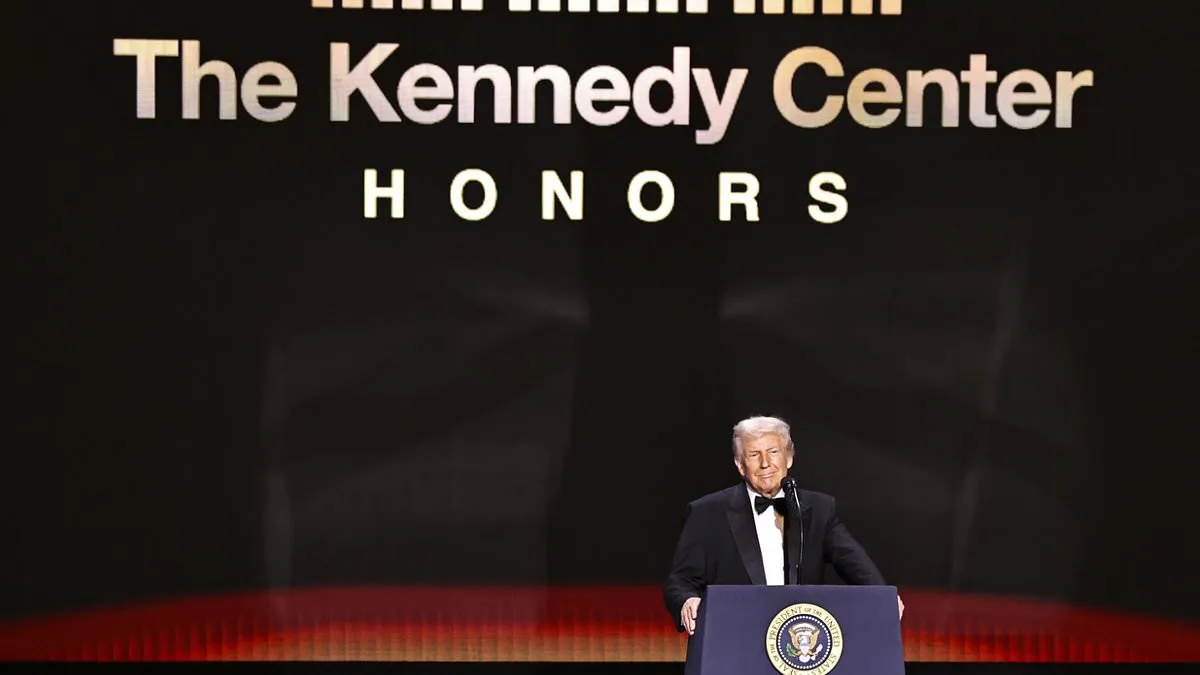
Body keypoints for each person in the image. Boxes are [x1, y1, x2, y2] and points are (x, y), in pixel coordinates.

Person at [663, 415, 904, 634]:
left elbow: (856, 565)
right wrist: (687, 601)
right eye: (754, 455)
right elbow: (681, 581)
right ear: (740, 465)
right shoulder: (708, 512)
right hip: (735, 636)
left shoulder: (819, 509)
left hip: (800, 640)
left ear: (788, 457)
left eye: (773, 452)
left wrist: (882, 597)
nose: (765, 463)